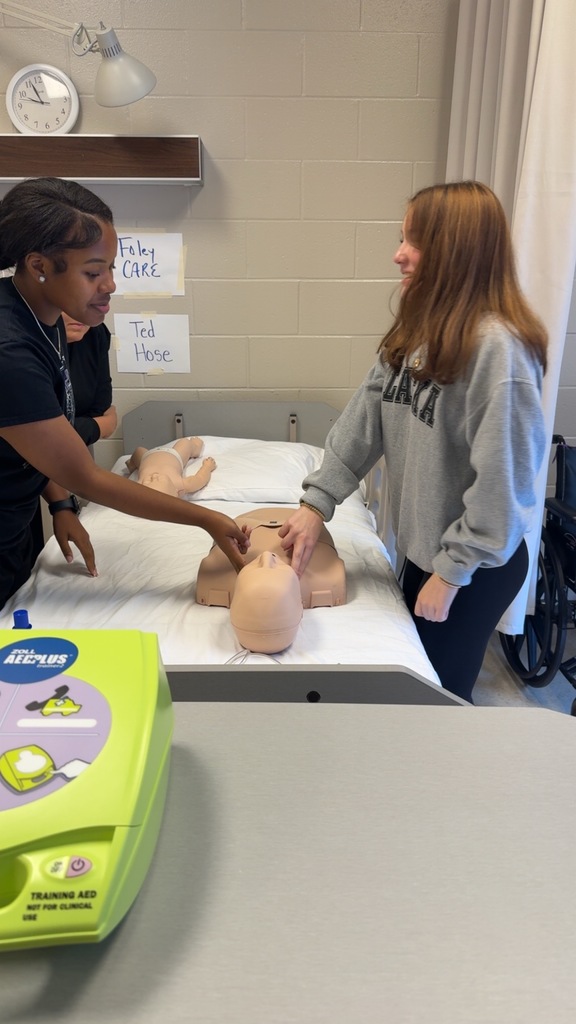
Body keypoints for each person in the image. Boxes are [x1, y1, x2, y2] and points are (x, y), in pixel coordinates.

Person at [278, 181, 548, 704]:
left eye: (414, 242)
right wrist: (318, 503)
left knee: (437, 700)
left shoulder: (499, 351)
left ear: (455, 251)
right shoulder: (417, 331)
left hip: (475, 565)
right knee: (411, 679)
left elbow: (503, 489)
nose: (398, 254)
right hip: (427, 550)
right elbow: (363, 421)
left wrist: (449, 575)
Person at [0, 176, 248, 612]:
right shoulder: (9, 351)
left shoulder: (49, 316)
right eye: (93, 272)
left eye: (111, 268)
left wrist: (59, 505)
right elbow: (87, 476)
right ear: (39, 265)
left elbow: (41, 438)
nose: (110, 285)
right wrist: (206, 519)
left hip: (15, 519)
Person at [63, 313, 117, 446]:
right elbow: (37, 433)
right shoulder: (17, 344)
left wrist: (91, 426)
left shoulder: (95, 333)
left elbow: (100, 408)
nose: (80, 313)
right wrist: (101, 426)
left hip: (74, 450)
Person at [126, 437, 216, 497]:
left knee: (138, 450)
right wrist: (207, 467)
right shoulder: (179, 484)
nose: (154, 476)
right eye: (158, 480)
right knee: (185, 443)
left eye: (149, 481)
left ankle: (132, 464)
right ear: (177, 491)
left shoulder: (138, 487)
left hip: (146, 457)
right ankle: (195, 447)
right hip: (174, 454)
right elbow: (200, 480)